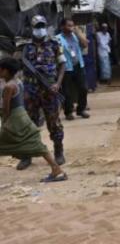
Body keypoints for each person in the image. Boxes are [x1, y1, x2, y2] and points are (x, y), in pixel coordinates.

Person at [0, 57, 68, 182]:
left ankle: (56, 170)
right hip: (22, 116)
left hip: (14, 119)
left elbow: (6, 109)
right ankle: (56, 169)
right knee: (36, 144)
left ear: (5, 71)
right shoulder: (18, 81)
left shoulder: (8, 87)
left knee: (33, 144)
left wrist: (4, 122)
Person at [16, 15, 67, 171]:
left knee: (53, 121)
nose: (40, 29)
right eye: (37, 26)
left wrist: (57, 83)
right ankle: (26, 156)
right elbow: (15, 64)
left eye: (42, 26)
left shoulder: (54, 44)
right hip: (30, 90)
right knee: (28, 123)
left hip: (49, 89)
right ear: (32, 28)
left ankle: (58, 151)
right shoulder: (24, 46)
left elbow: (62, 64)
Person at [56, 18, 90, 120]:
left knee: (83, 88)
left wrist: (78, 33)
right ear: (62, 27)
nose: (71, 28)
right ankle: (69, 111)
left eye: (72, 25)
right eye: (69, 26)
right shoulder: (58, 39)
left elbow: (85, 45)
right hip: (66, 68)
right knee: (67, 91)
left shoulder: (75, 36)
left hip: (78, 65)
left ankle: (81, 109)